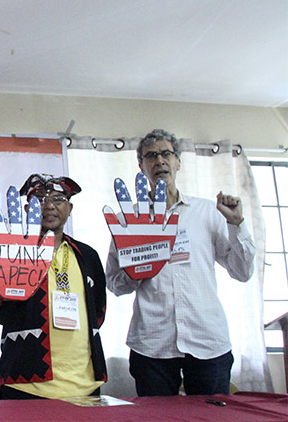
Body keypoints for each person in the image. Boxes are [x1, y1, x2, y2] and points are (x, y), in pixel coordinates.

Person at [105, 129, 256, 396]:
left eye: (166, 153)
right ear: (141, 166)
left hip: (208, 340)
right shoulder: (128, 220)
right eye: (151, 156)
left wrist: (236, 224)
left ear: (178, 162)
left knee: (212, 417)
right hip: (152, 344)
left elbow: (242, 272)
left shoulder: (207, 212)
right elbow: (115, 285)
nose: (159, 161)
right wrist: (137, 271)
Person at [0, 174, 107, 400]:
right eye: (39, 199)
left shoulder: (88, 256)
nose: (49, 205)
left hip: (85, 385)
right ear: (26, 209)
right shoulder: (12, 251)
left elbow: (98, 311)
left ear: (70, 208)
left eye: (58, 199)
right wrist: (15, 283)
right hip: (27, 385)